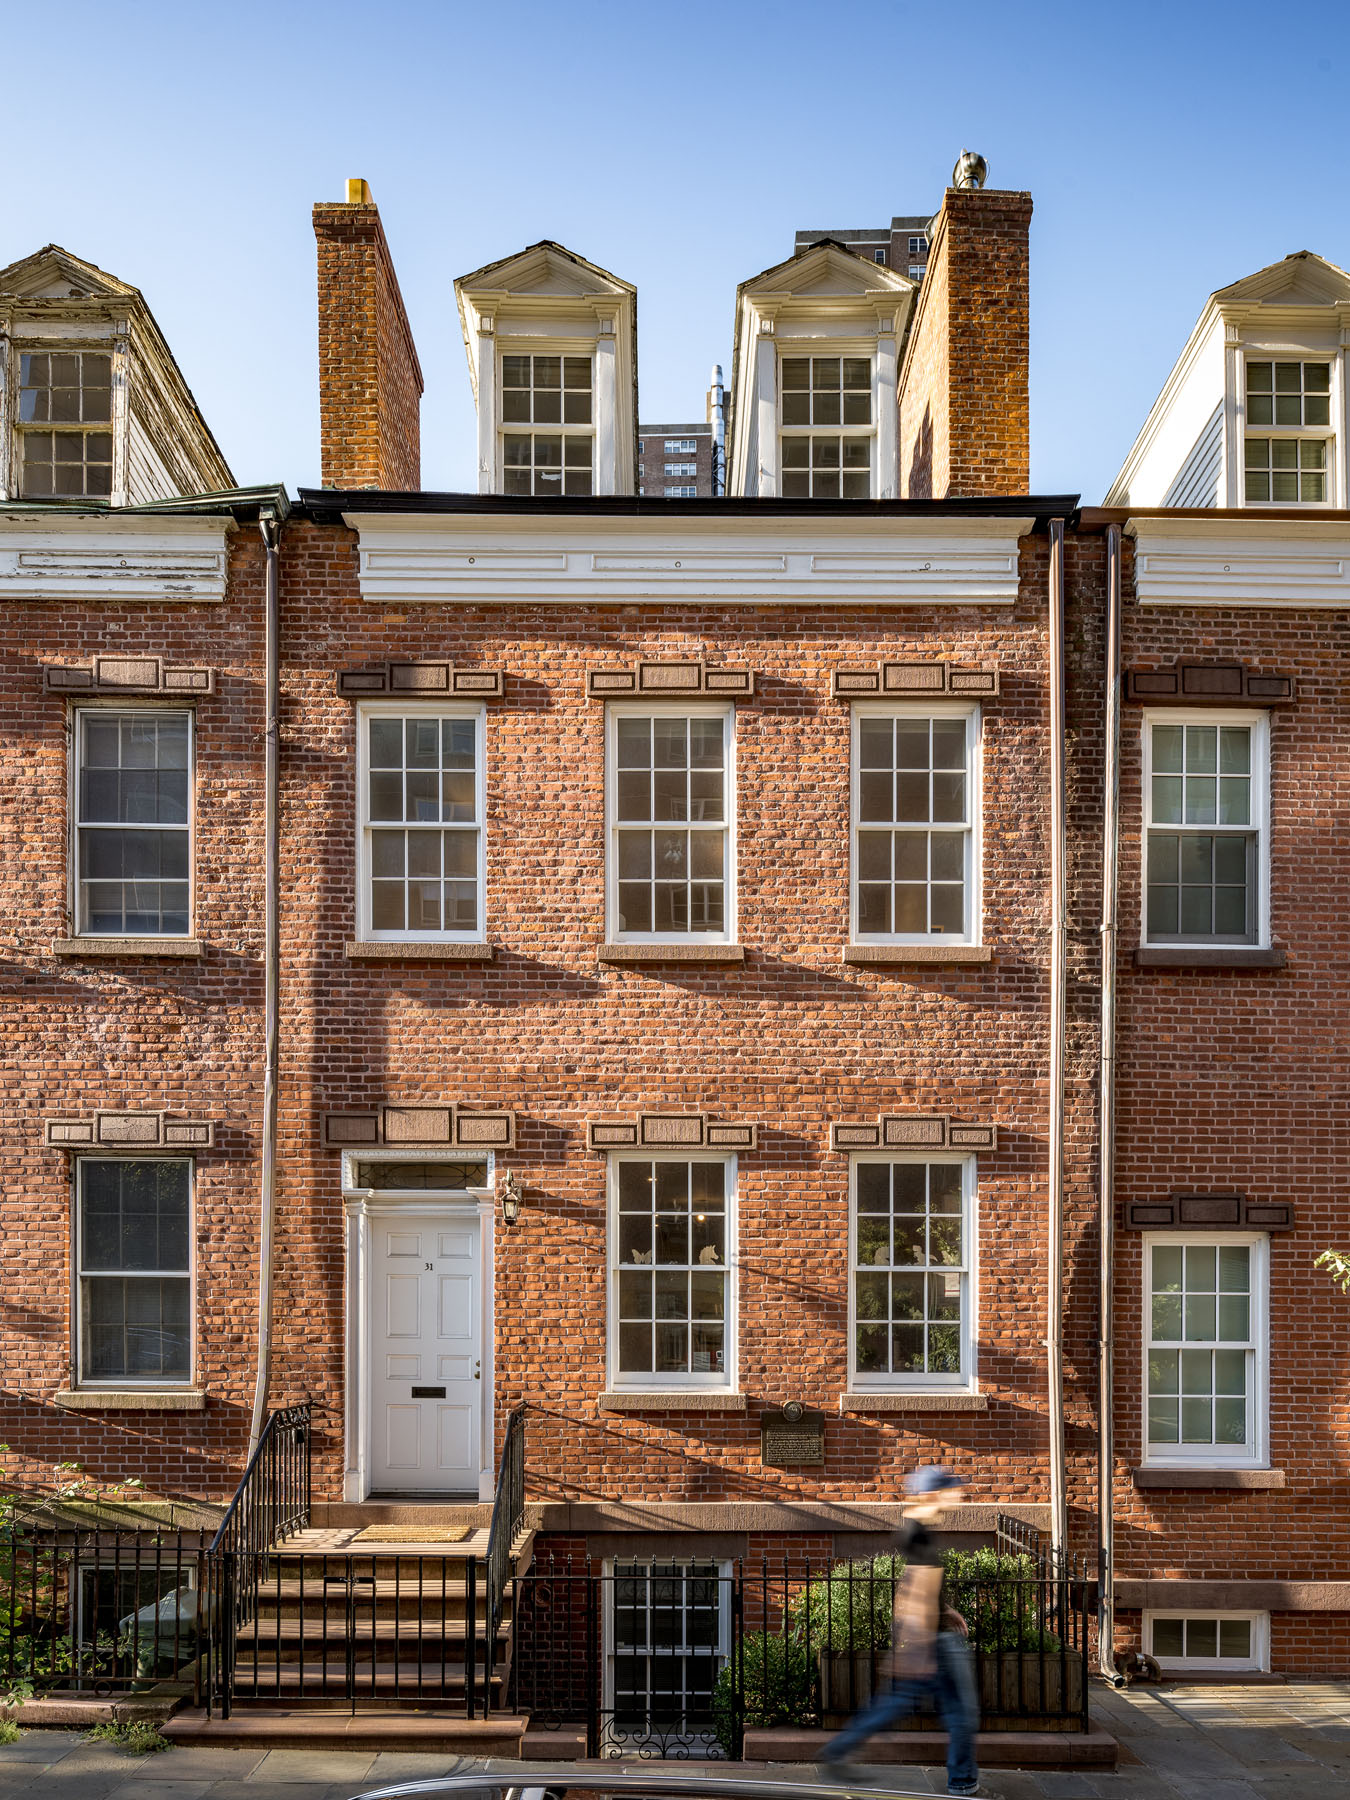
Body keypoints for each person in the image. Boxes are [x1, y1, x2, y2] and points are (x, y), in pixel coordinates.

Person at [818, 1466, 983, 1797]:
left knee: (895, 1704)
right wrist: (918, 1648)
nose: (957, 1496)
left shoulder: (917, 1527)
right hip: (936, 1645)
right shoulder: (919, 1530)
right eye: (951, 1490)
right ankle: (963, 1782)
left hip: (932, 1637)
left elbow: (911, 1587)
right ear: (932, 1493)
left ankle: (838, 1750)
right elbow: (917, 1590)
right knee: (962, 1713)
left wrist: (944, 1611)